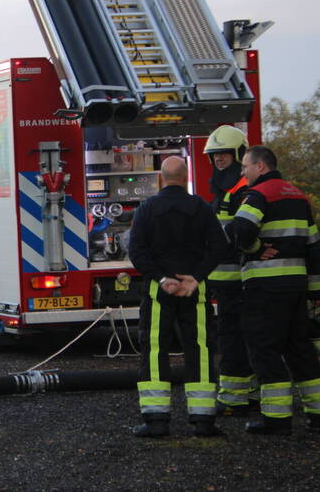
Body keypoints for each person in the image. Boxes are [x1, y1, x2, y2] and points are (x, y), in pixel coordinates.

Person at [230, 145, 320, 435]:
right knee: (300, 349)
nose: (243, 173)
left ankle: (276, 420)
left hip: (265, 287)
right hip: (296, 289)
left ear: (261, 167)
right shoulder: (299, 197)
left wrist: (256, 248)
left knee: (265, 350)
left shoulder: (259, 194)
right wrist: (316, 296)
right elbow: (315, 250)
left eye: (245, 167)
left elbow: (240, 229)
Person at [127, 156, 228, 437]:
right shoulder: (202, 208)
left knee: (155, 350)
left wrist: (162, 278)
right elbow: (219, 246)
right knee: (201, 350)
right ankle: (203, 420)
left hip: (160, 292)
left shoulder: (146, 209)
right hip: (194, 291)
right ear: (185, 178)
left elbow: (136, 251)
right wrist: (195, 277)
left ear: (161, 179)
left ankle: (156, 420)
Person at [203, 125, 257, 415]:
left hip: (242, 282)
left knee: (237, 339)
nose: (218, 160)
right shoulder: (226, 191)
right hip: (226, 282)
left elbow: (240, 236)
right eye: (214, 156)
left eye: (223, 154)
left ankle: (237, 398)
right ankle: (240, 395)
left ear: (238, 155)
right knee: (232, 338)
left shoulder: (242, 192)